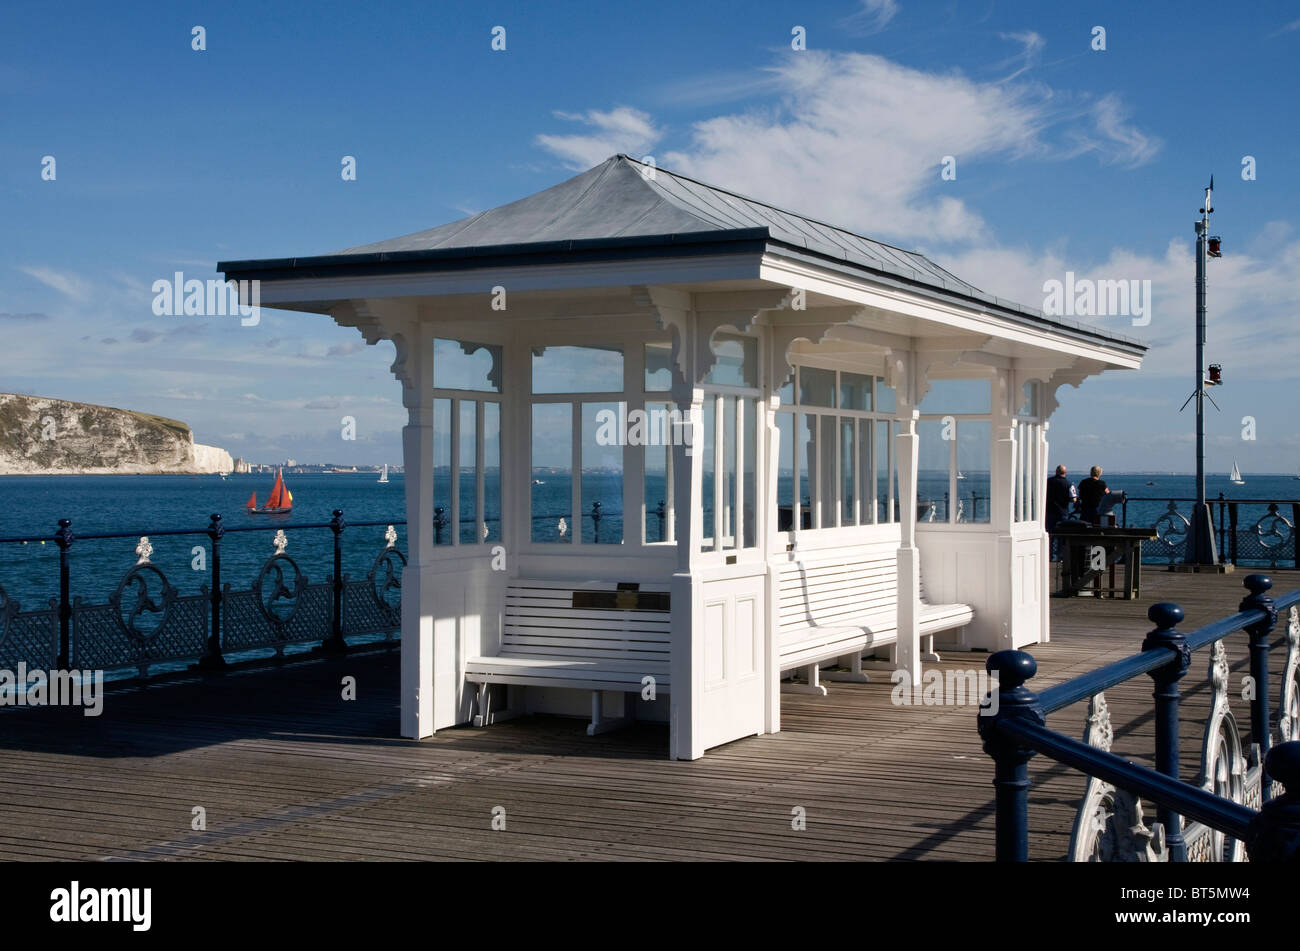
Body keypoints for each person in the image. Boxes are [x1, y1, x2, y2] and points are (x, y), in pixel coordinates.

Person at [1045, 465, 1075, 532]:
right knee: (1062, 532)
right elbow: (1073, 499)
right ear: (1065, 472)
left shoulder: (1048, 481)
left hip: (1049, 511)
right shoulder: (1068, 484)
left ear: (1056, 472)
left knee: (1049, 531)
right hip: (1062, 511)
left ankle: (1050, 542)